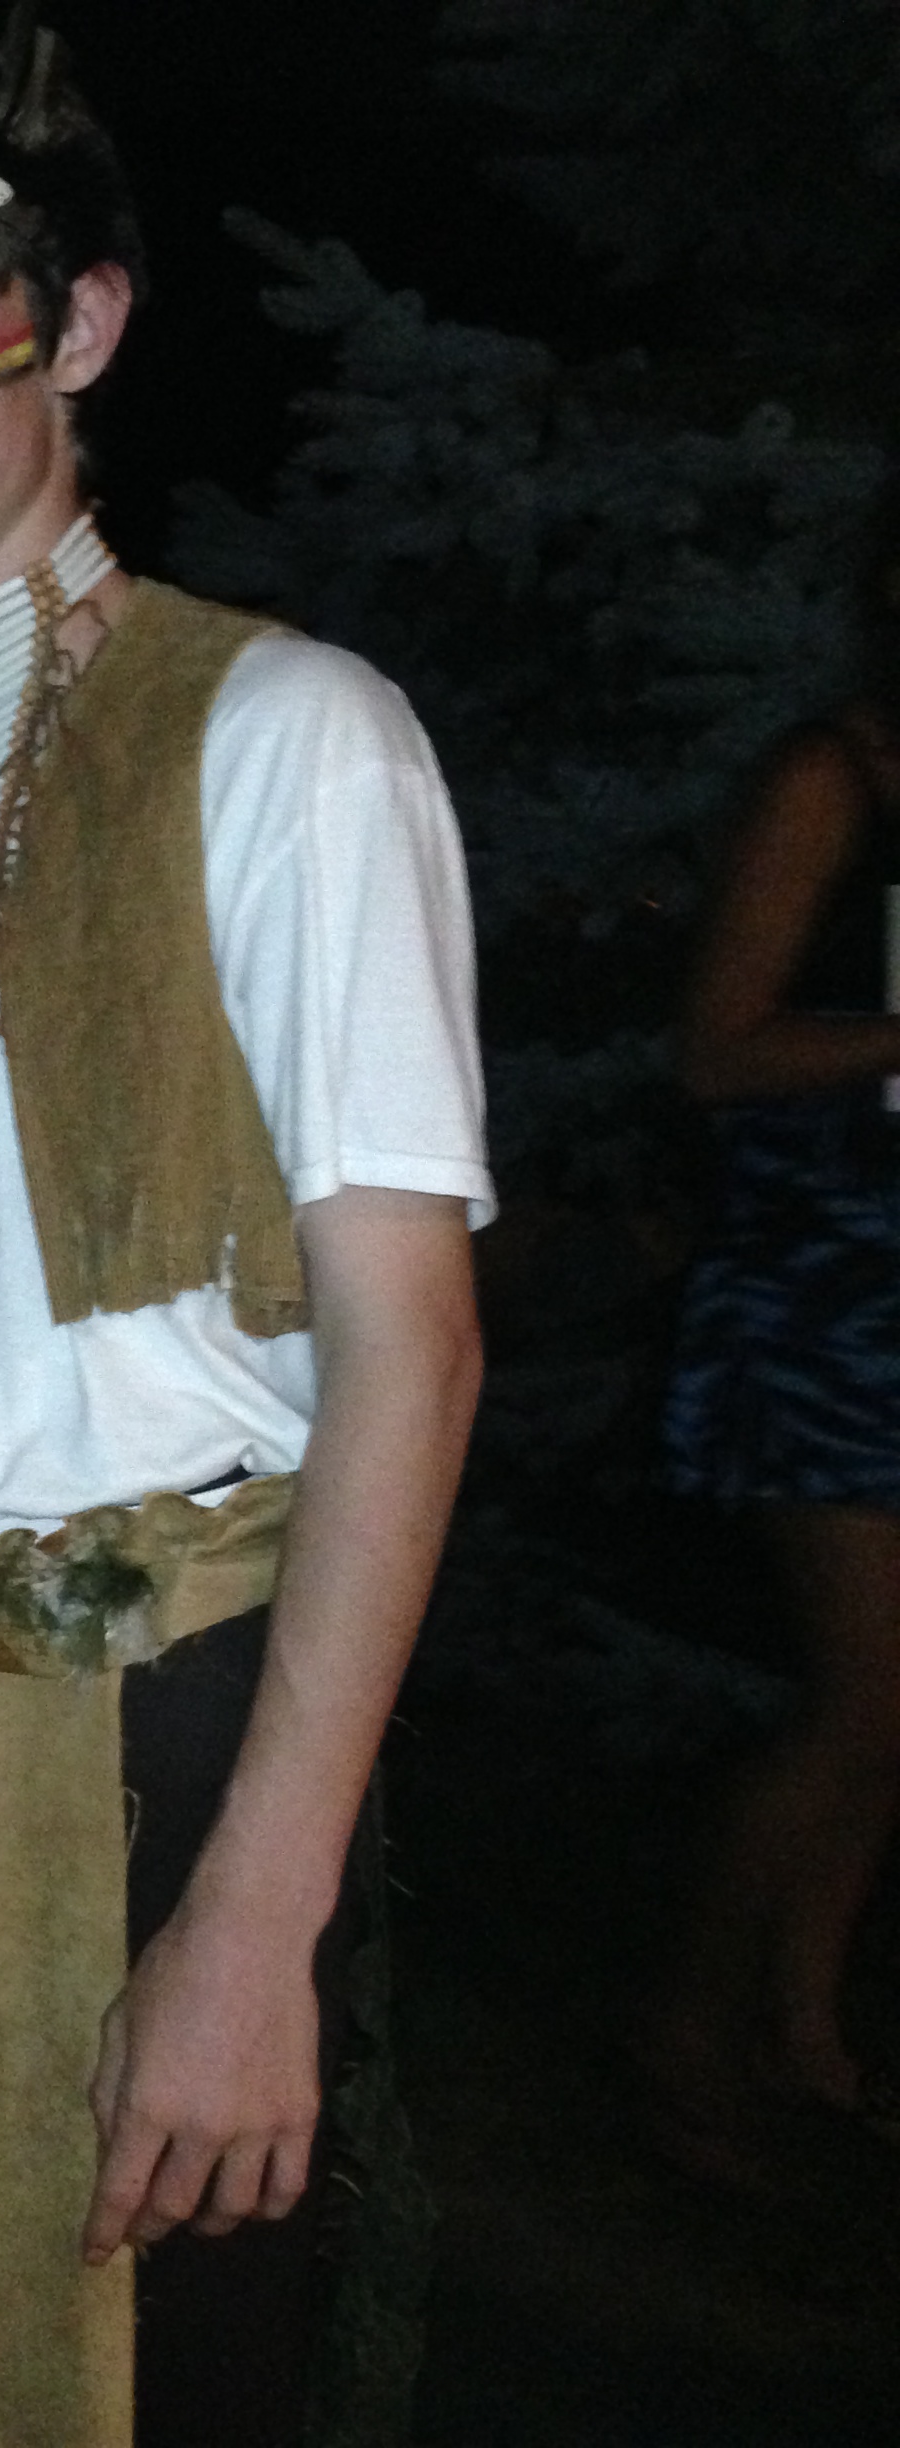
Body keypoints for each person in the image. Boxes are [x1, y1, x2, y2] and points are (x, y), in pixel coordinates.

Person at [0, 7, 488, 2444]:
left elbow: (415, 1349)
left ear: (86, 327)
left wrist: (253, 1920)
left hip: (163, 1743)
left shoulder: (292, 737)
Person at [652, 546, 900, 2175]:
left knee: (891, 1715)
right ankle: (687, 2035)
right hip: (819, 1309)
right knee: (868, 1701)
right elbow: (716, 1050)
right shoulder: (834, 778)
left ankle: (806, 2034)